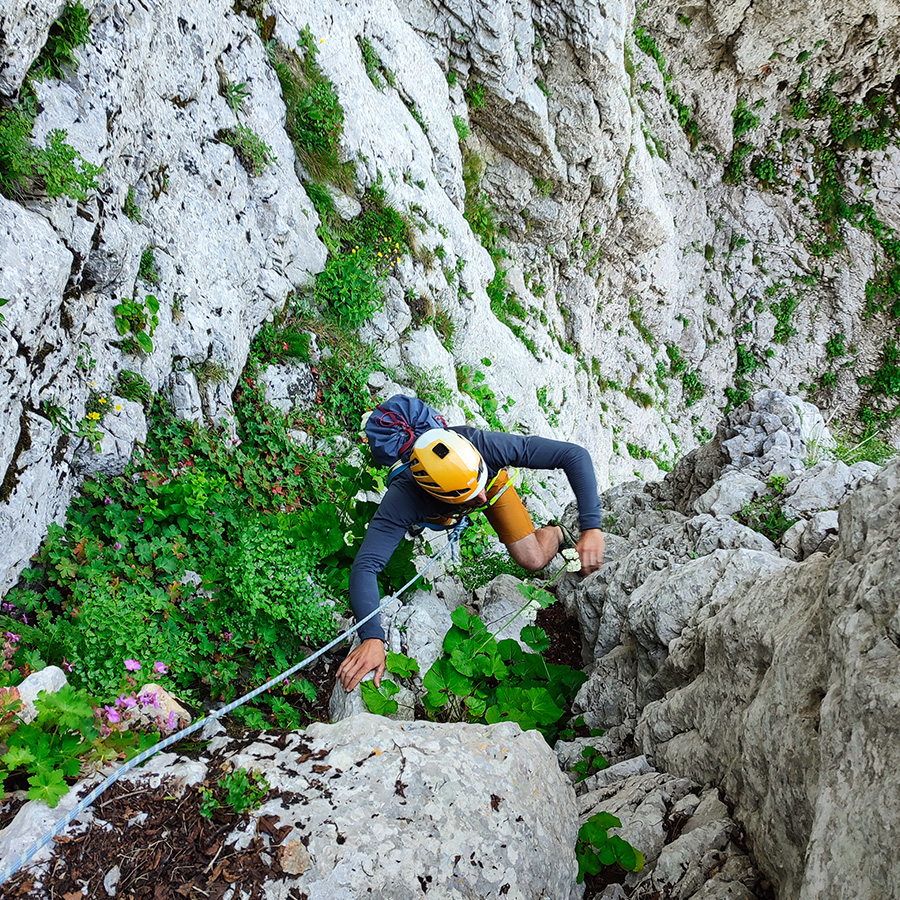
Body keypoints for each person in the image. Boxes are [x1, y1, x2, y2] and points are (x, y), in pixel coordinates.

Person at [336, 425, 605, 691]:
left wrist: (591, 527)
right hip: (440, 503)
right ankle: (437, 512)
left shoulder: (483, 447)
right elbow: (365, 566)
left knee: (532, 559)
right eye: (473, 495)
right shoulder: (404, 497)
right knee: (434, 514)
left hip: (488, 476)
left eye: (479, 489)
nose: (483, 498)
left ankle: (555, 534)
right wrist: (372, 637)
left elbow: (574, 455)